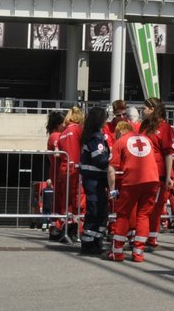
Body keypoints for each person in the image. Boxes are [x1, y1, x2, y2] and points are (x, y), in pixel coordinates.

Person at [110, 115, 162, 263]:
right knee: (144, 215)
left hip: (132, 181)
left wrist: (113, 189)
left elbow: (111, 169)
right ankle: (138, 253)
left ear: (120, 131)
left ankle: (117, 252)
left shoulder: (120, 142)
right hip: (152, 180)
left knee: (123, 214)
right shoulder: (147, 140)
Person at [138, 97, 174, 249]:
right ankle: (141, 236)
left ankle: (151, 238)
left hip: (157, 174)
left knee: (154, 207)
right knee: (143, 207)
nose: (142, 110)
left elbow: (168, 153)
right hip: (141, 172)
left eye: (145, 107)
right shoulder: (144, 126)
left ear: (152, 109)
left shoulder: (165, 128)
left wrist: (168, 176)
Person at [77, 105, 111, 256]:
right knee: (95, 209)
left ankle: (96, 239)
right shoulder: (95, 137)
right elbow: (100, 159)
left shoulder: (96, 135)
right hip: (93, 180)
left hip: (97, 179)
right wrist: (113, 161)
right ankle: (88, 242)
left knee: (102, 210)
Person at [54, 106, 83, 243]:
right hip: (76, 169)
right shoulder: (78, 130)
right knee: (78, 200)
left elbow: (58, 152)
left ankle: (64, 228)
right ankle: (77, 230)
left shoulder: (63, 133)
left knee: (66, 202)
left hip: (64, 168)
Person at [44, 110, 67, 241]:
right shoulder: (56, 136)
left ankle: (56, 228)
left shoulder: (56, 135)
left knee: (59, 203)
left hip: (57, 172)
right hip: (58, 173)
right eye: (64, 123)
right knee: (60, 202)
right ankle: (57, 228)